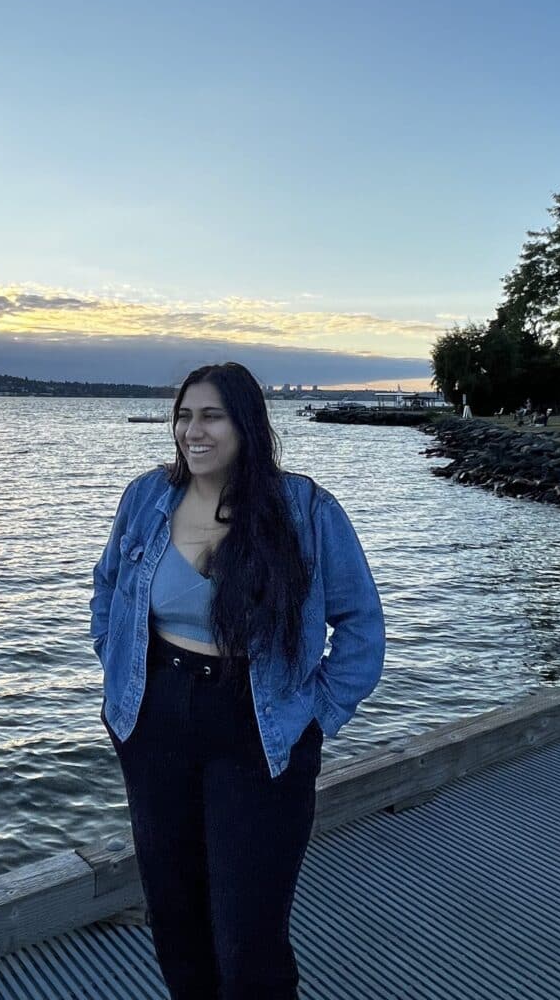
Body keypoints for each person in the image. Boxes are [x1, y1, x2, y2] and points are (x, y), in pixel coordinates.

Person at [90, 362, 385, 1000]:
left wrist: (319, 711)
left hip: (258, 724)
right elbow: (108, 585)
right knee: (173, 912)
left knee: (247, 933)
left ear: (247, 425)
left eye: (211, 416)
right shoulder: (146, 497)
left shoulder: (304, 509)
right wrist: (114, 663)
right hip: (154, 717)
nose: (192, 431)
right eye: (184, 414)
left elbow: (361, 623)